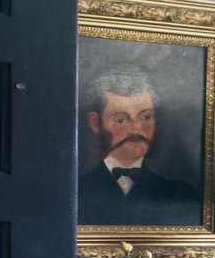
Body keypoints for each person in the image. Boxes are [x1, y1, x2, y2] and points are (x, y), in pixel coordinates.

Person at [78, 66, 201, 226]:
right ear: (96, 123)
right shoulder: (74, 192)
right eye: (121, 120)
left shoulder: (182, 194)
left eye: (146, 117)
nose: (136, 129)